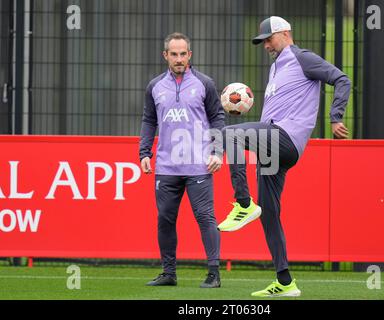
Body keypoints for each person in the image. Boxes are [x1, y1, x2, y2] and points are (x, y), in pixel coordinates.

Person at [217, 16, 350, 297]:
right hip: (273, 146)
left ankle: (243, 204)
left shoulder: (302, 58)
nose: (265, 45)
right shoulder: (276, 67)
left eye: (269, 38)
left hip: (285, 140)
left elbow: (341, 79)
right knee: (269, 214)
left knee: (229, 135)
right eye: (263, 41)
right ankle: (285, 282)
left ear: (285, 34)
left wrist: (335, 116)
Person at [139, 32, 225, 288]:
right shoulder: (154, 86)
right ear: (165, 55)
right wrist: (144, 153)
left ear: (190, 55)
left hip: (198, 164)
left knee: (205, 217)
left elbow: (218, 118)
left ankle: (213, 273)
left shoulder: (204, 83)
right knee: (165, 219)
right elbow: (149, 120)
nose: (179, 59)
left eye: (183, 54)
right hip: (166, 166)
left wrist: (217, 151)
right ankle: (169, 273)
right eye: (174, 54)